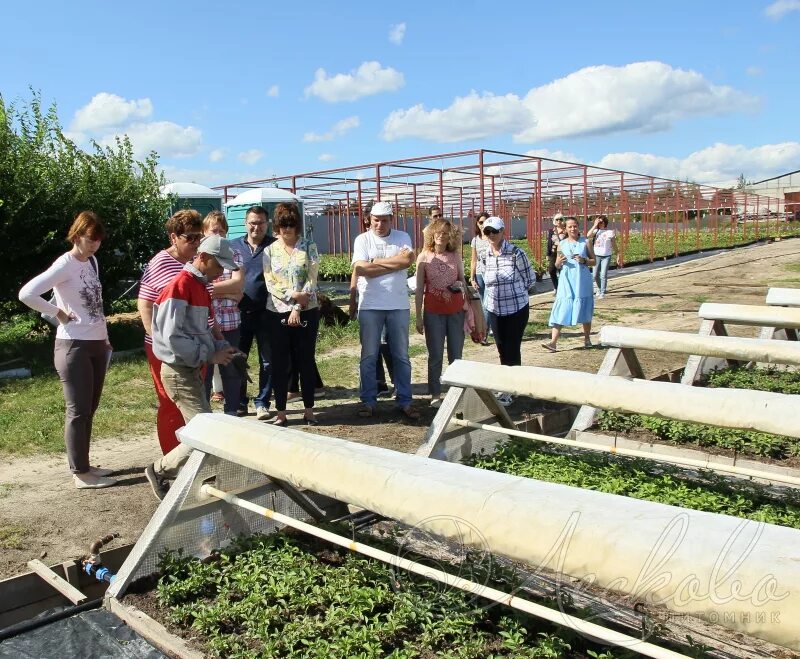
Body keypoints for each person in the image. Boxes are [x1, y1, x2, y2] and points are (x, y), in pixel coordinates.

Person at [18, 211, 115, 489]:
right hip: (73, 345)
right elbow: (27, 293)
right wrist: (57, 312)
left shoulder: (92, 261)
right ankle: (80, 473)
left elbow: (96, 304)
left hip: (97, 343)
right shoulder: (65, 263)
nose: (95, 244)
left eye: (98, 239)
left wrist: (106, 338)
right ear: (77, 235)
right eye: (90, 238)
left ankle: (85, 464)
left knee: (90, 408)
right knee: (78, 410)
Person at [144, 235, 240, 499]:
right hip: (178, 372)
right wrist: (210, 357)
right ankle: (159, 470)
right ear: (204, 258)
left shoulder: (199, 286)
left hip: (190, 370)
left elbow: (199, 332)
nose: (221, 272)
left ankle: (194, 479)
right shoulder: (179, 287)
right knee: (205, 433)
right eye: (219, 266)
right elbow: (170, 339)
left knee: (205, 431)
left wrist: (220, 347)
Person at [138, 209, 206, 455]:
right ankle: (171, 457)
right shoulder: (159, 262)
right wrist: (160, 342)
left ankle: (194, 455)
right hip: (165, 348)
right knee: (170, 401)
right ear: (173, 237)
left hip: (195, 345)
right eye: (190, 237)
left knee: (196, 399)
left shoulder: (198, 261)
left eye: (199, 237)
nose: (195, 243)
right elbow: (144, 303)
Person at [351, 201, 418, 419]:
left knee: (401, 356)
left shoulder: (403, 237)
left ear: (392, 219)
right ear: (370, 219)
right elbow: (360, 269)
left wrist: (376, 263)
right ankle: (368, 401)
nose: (380, 224)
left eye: (384, 220)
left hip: (398, 304)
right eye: (376, 220)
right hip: (370, 305)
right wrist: (394, 262)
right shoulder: (362, 239)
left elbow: (408, 261)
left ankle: (405, 400)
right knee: (368, 355)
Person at [262, 203, 321, 427]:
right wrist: (291, 296)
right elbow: (270, 281)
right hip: (277, 310)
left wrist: (298, 304)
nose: (287, 230)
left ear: (297, 225)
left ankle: (309, 410)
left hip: (307, 308)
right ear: (277, 226)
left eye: (291, 225)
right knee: (280, 362)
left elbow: (312, 277)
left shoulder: (309, 246)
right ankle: (281, 412)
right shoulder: (270, 250)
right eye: (282, 225)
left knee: (305, 359)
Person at [482, 216, 535, 406]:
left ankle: (512, 389)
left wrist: (516, 293)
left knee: (512, 348)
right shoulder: (484, 255)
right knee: (501, 348)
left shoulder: (516, 254)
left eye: (494, 231)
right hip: (495, 309)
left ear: (503, 232)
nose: (491, 235)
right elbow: (485, 281)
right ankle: (507, 385)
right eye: (487, 232)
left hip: (516, 308)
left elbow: (530, 279)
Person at [415, 219, 469, 407]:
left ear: (450, 236)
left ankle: (456, 394)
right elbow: (420, 288)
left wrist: (460, 286)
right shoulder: (424, 257)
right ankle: (435, 394)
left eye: (445, 232)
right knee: (435, 355)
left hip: (455, 311)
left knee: (456, 355)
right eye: (438, 232)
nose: (441, 235)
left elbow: (463, 279)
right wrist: (418, 316)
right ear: (431, 234)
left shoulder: (455, 256)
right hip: (433, 312)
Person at [229, 206, 275, 421]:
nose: (256, 227)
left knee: (268, 361)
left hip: (267, 313)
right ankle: (239, 402)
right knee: (238, 358)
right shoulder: (233, 247)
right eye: (252, 223)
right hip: (238, 313)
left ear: (268, 223)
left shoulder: (275, 247)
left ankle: (263, 402)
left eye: (261, 223)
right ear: (246, 223)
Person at [202, 211, 245, 415]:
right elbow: (198, 287)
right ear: (204, 232)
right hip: (205, 325)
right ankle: (203, 414)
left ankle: (232, 412)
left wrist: (210, 290)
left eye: (221, 230)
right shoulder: (199, 256)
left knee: (232, 370)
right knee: (205, 370)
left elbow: (238, 284)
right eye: (213, 230)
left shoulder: (235, 254)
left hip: (229, 322)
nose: (218, 234)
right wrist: (227, 291)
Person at [542, 217, 596, 352]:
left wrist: (584, 260)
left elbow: (594, 261)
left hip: (581, 279)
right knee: (562, 307)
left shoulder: (586, 242)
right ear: (566, 229)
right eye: (570, 227)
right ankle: (553, 342)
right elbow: (557, 264)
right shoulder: (562, 244)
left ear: (578, 227)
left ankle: (587, 338)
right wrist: (559, 261)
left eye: (575, 226)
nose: (573, 229)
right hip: (566, 280)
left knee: (584, 306)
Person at [468, 211, 491, 345]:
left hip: (491, 275)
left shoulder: (492, 237)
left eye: (485, 222)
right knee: (483, 304)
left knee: (487, 305)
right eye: (480, 222)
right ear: (477, 224)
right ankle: (485, 329)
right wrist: (471, 278)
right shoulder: (475, 240)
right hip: (479, 275)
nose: (483, 225)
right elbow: (473, 260)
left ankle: (484, 334)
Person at [586, 215, 622, 299]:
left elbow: (614, 244)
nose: (600, 223)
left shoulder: (610, 232)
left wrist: (618, 254)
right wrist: (595, 225)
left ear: (605, 223)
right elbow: (588, 235)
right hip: (596, 255)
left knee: (603, 274)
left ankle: (602, 292)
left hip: (606, 256)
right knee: (595, 275)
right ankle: (599, 288)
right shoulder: (595, 231)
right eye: (598, 222)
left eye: (601, 222)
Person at [546, 213, 566, 293]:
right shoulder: (552, 231)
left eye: (560, 219)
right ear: (554, 221)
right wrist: (547, 253)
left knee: (562, 271)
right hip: (553, 253)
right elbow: (549, 242)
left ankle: (562, 288)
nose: (559, 221)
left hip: (562, 253)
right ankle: (556, 287)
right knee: (551, 270)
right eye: (557, 219)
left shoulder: (566, 230)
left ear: (563, 220)